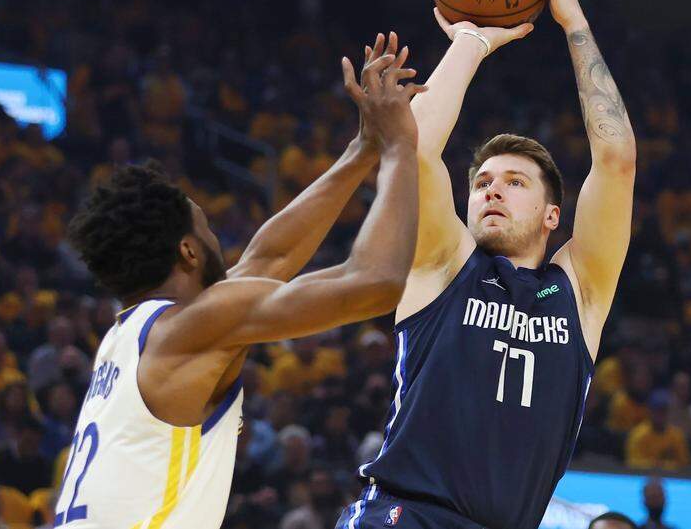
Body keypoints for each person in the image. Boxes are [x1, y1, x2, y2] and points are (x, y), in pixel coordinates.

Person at [53, 36, 423, 529]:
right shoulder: (189, 329)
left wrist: (362, 149)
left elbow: (267, 260)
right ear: (188, 252)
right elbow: (376, 281)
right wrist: (399, 147)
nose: (220, 241)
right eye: (207, 229)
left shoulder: (130, 337)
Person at [339, 0, 636, 529]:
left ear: (553, 217)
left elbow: (616, 159)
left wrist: (574, 22)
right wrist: (471, 41)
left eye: (515, 182)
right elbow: (413, 147)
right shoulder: (444, 263)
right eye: (481, 183)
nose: (492, 190)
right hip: (407, 515)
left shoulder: (580, 291)